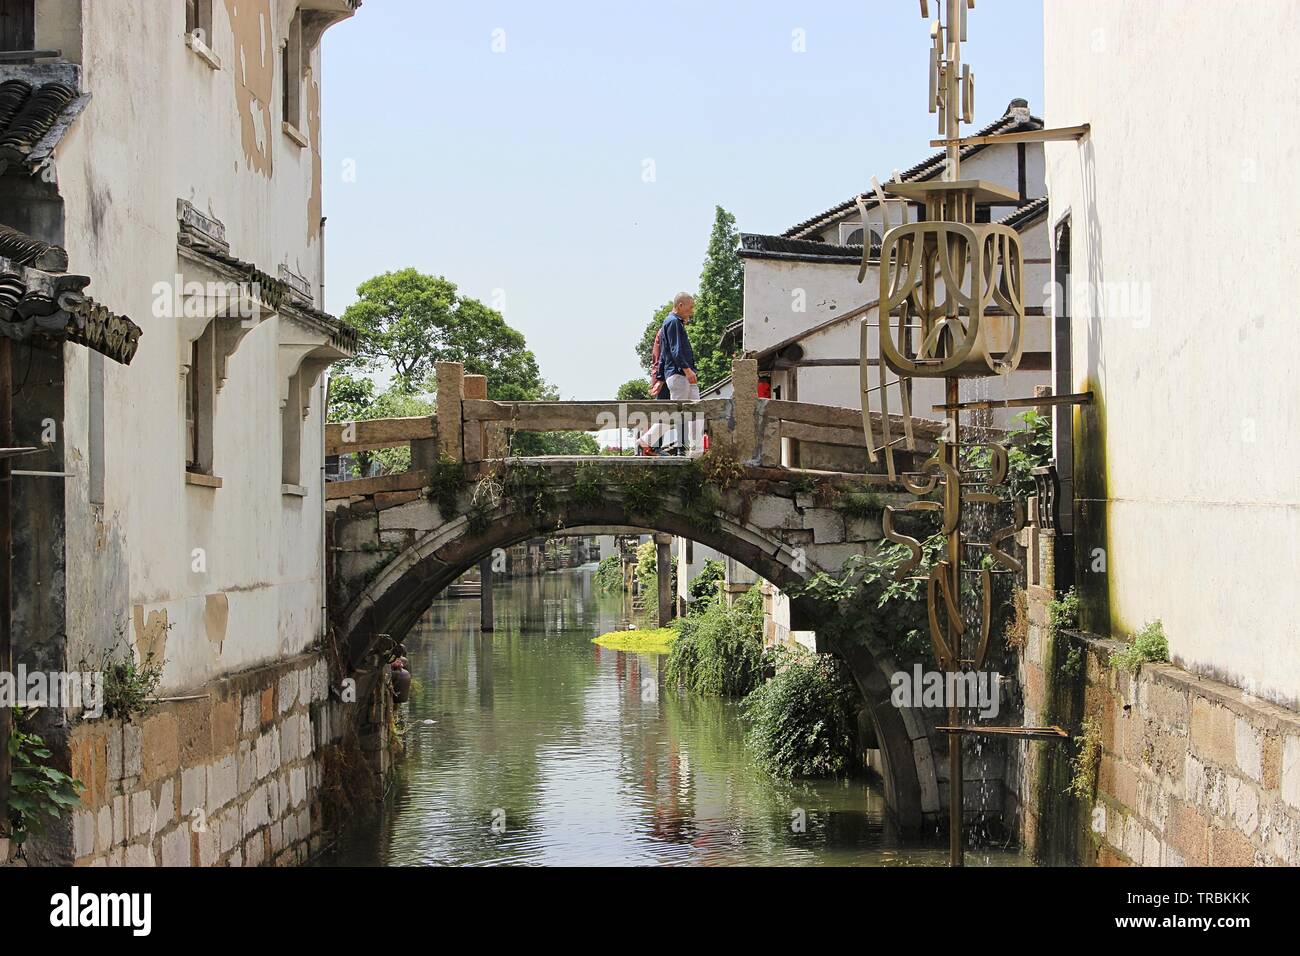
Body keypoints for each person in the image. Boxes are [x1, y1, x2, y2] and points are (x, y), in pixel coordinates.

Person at [638, 292, 702, 454]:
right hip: (680, 374)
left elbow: (664, 354)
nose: (692, 311)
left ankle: (697, 448)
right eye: (690, 307)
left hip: (678, 373)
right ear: (680, 305)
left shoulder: (671, 322)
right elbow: (675, 350)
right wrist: (687, 370)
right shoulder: (673, 322)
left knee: (697, 409)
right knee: (677, 413)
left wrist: (660, 377)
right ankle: (647, 440)